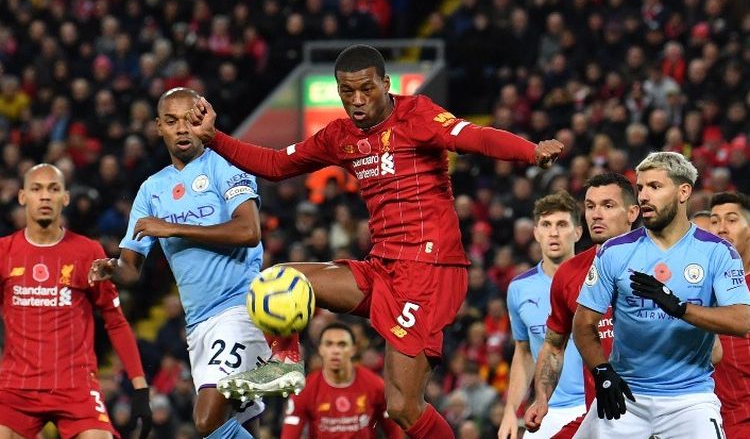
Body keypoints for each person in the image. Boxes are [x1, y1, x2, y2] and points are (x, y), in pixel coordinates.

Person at [186, 44, 564, 437]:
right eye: (347, 92)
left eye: (367, 89)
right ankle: (284, 364)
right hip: (383, 266)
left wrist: (531, 151)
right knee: (281, 278)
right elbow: (277, 165)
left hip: (430, 271)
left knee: (402, 406)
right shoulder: (341, 135)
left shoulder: (418, 115)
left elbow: (477, 136)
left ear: (386, 84)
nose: (358, 100)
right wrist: (213, 138)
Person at [89, 87, 271, 439]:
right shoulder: (151, 189)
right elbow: (131, 269)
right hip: (198, 323)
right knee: (242, 422)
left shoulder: (226, 164)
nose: (182, 129)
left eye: (191, 119)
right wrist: (112, 267)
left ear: (203, 120)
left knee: (206, 419)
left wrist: (171, 227)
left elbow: (249, 230)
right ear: (159, 127)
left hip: (241, 307)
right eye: (172, 121)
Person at [573, 152, 750, 438]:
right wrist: (602, 372)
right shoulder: (614, 251)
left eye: (655, 187)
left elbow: (743, 320)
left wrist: (680, 308)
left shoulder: (717, 252)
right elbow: (583, 323)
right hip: (626, 394)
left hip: (689, 399)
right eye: (640, 188)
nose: (643, 196)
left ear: (683, 192)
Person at [0, 164, 152, 438]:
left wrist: (140, 387)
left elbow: (114, 321)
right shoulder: (3, 253)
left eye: (53, 189)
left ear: (65, 198)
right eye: (37, 189)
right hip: (16, 387)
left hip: (75, 385)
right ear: (22, 197)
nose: (45, 196)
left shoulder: (87, 252)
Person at [522, 173, 640, 438]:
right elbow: (554, 345)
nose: (596, 215)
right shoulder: (570, 273)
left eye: (608, 206)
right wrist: (542, 399)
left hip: (659, 410)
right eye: (590, 206)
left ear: (632, 212)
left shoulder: (660, 263)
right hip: (603, 413)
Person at [498, 191, 585, 439]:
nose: (553, 233)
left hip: (594, 406)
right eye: (546, 225)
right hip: (545, 410)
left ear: (578, 232)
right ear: (536, 232)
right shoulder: (519, 288)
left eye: (562, 224)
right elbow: (523, 352)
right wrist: (510, 412)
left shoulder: (597, 278)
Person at [281, 322, 402, 438]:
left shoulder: (375, 385)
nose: (335, 351)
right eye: (329, 344)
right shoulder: (306, 389)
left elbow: (394, 432)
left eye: (342, 344)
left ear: (353, 349)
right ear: (320, 349)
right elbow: (289, 435)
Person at [710, 192, 750, 438]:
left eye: (732, 220)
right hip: (710, 420)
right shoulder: (701, 287)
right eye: (714, 220)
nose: (721, 228)